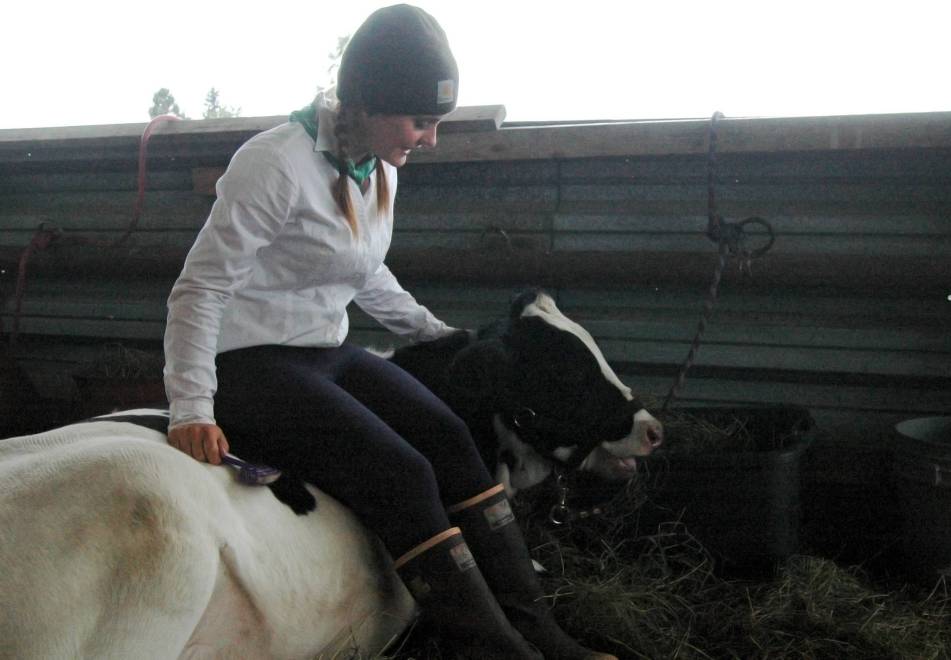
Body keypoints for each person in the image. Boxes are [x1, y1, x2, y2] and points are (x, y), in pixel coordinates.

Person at [162, 5, 615, 659]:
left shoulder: (379, 168)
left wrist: (437, 332)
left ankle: (541, 632)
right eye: (420, 122)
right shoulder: (274, 164)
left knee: (451, 440)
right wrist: (191, 406)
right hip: (250, 364)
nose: (429, 138)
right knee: (403, 473)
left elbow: (365, 274)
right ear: (369, 104)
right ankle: (497, 653)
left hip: (325, 351)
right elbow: (200, 288)